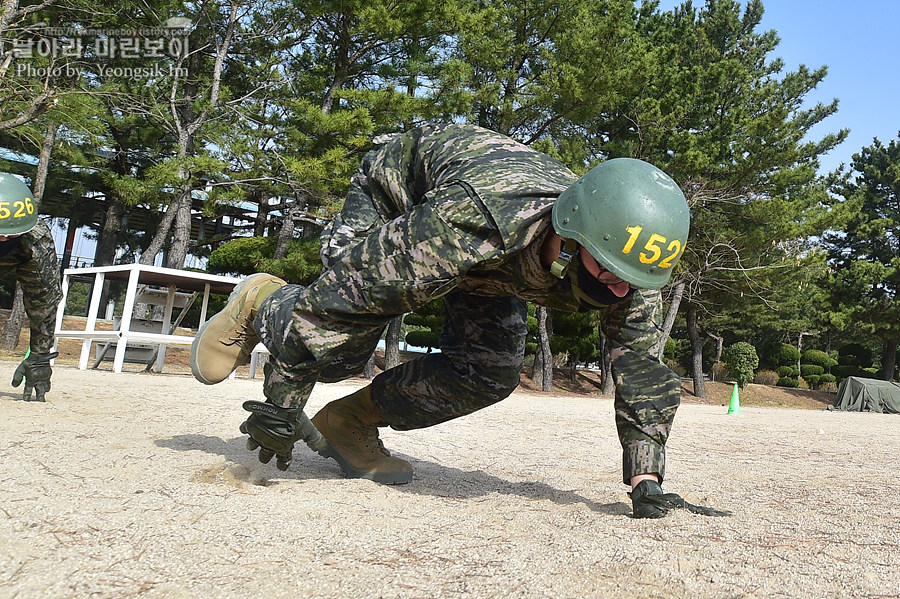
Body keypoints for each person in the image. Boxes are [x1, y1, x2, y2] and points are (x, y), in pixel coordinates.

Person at [191, 123, 729, 518]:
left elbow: (641, 369)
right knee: (342, 348)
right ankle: (262, 301)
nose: (620, 288)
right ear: (574, 235)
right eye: (609, 271)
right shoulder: (474, 220)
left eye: (632, 279)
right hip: (404, 200)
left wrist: (646, 477)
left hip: (495, 261)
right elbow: (344, 300)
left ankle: (348, 422)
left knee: (488, 371)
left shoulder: (630, 265)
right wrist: (283, 405)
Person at [0, 173, 62, 402]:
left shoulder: (34, 239)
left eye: (10, 233)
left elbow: (43, 299)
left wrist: (40, 355)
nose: (4, 239)